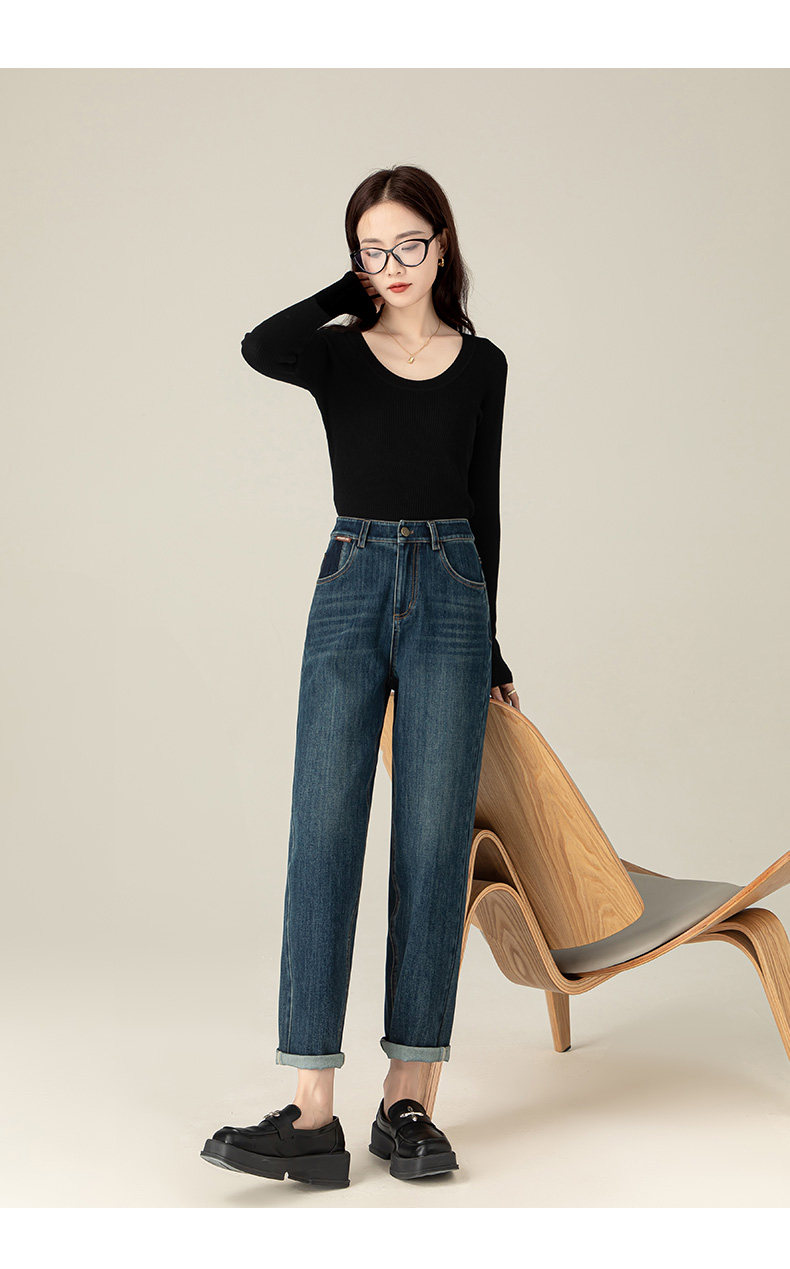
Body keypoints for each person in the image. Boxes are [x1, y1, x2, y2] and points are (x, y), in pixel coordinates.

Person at [200, 164, 520, 1188]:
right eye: (371, 249)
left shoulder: (482, 364)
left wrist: (492, 648)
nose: (391, 264)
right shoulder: (337, 354)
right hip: (352, 579)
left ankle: (409, 1101)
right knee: (323, 832)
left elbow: (483, 504)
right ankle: (310, 1112)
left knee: (433, 843)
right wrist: (353, 290)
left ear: (442, 242)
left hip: (453, 589)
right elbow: (261, 345)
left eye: (407, 244)